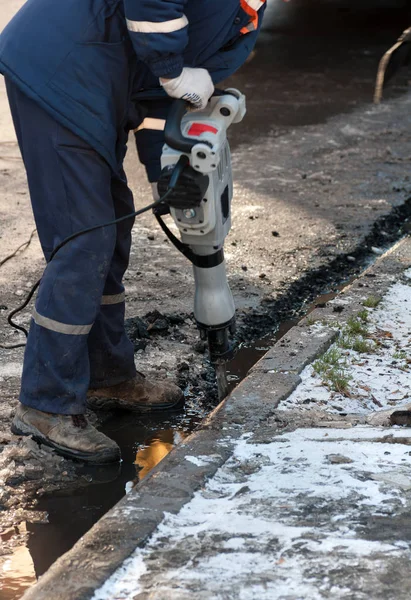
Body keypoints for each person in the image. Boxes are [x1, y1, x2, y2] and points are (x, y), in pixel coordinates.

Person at [0, 0, 266, 464]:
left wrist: (170, 175)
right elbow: (158, 25)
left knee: (113, 225)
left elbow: (168, 102)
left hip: (101, 76)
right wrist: (173, 69)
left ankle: (106, 374)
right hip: (61, 66)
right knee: (84, 235)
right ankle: (45, 403)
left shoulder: (245, 19)